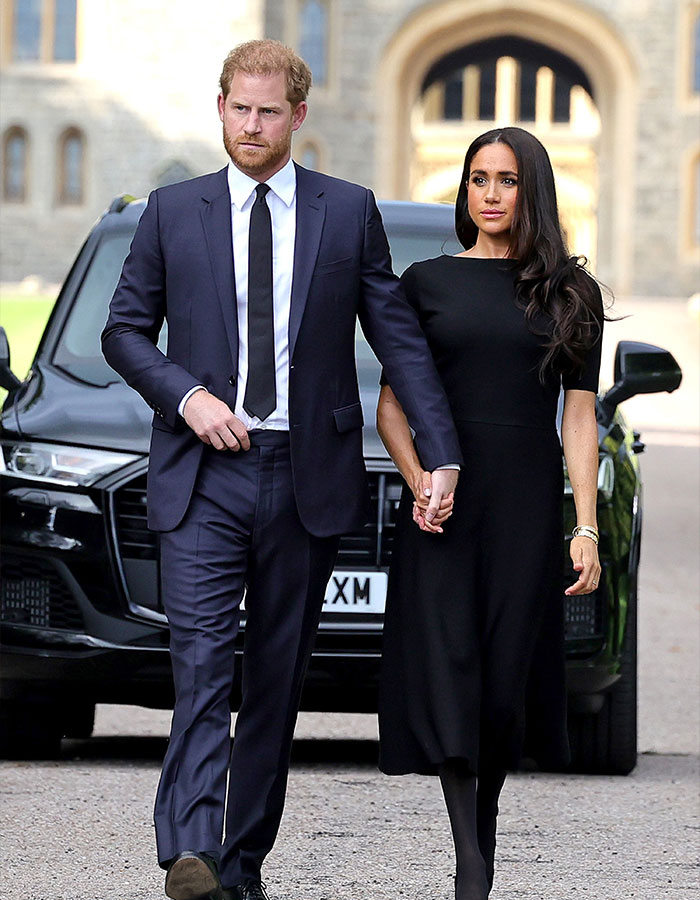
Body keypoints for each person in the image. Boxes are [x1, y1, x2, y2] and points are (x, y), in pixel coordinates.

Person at [102, 39, 461, 900]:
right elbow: (123, 331)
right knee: (202, 663)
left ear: (298, 116)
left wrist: (441, 449)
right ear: (219, 107)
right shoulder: (170, 210)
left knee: (273, 680)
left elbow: (396, 337)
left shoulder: (347, 212)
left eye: (270, 112)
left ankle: (240, 864)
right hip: (201, 472)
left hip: (307, 473)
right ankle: (190, 849)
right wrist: (184, 396)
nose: (252, 126)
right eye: (239, 108)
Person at [376, 126, 604, 900]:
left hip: (524, 505)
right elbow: (392, 406)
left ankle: (484, 831)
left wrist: (585, 526)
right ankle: (471, 864)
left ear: (531, 189)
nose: (491, 194)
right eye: (478, 179)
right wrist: (417, 482)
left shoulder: (572, 292)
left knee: (505, 679)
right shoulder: (426, 282)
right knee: (450, 668)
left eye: (507, 180)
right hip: (447, 505)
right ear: (465, 190)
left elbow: (579, 418)